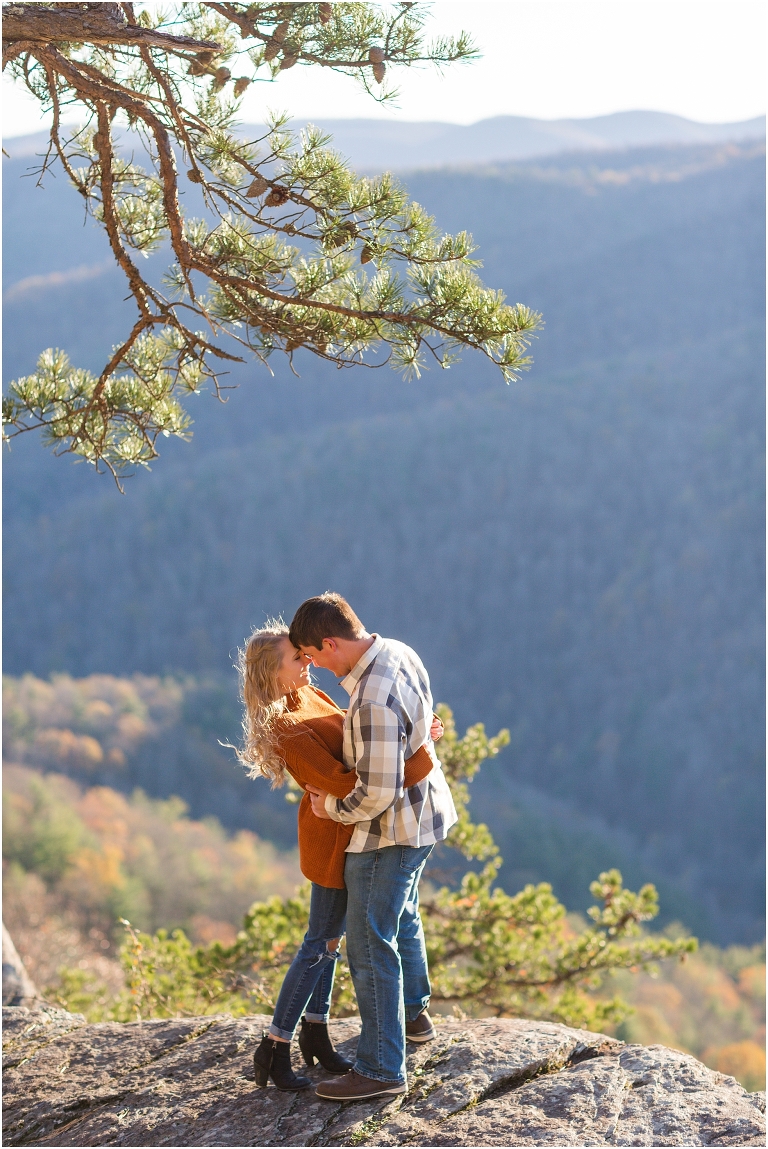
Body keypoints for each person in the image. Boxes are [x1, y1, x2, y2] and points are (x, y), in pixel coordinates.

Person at [237, 622, 441, 1091]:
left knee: (332, 941)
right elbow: (349, 784)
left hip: (350, 829)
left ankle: (316, 1032)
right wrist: (420, 758)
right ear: (273, 674)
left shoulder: (312, 698)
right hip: (331, 840)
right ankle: (274, 1044)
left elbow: (360, 735)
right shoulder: (287, 727)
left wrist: (412, 730)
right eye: (297, 658)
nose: (308, 662)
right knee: (321, 943)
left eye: (305, 654)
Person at [289, 593, 458, 1101]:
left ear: (331, 642)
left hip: (390, 831)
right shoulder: (400, 652)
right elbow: (418, 731)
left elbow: (376, 793)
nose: (312, 666)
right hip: (425, 815)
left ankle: (382, 1069)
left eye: (312, 655)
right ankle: (414, 1017)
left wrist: (329, 810)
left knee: (367, 939)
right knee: (402, 915)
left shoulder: (369, 699)